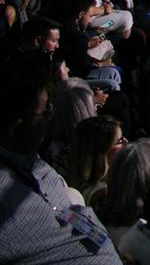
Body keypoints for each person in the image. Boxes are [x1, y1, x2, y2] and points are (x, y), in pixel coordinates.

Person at [0, 76, 122, 263]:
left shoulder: (39, 166)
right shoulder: (6, 196)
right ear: (17, 127)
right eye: (45, 111)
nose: (50, 117)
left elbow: (67, 213)